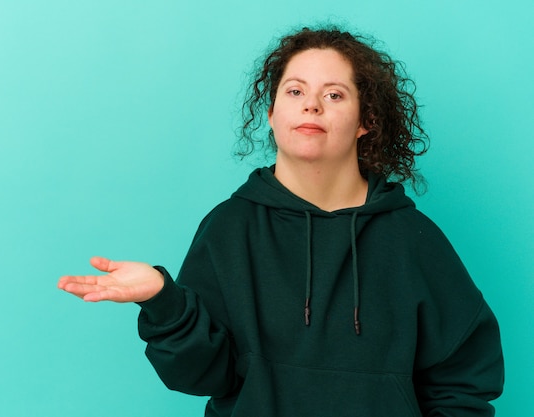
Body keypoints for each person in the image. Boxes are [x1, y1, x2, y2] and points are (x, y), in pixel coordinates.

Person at [58, 26, 504, 416]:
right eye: (294, 91)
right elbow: (202, 377)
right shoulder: (229, 228)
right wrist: (164, 301)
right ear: (271, 114)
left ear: (366, 120)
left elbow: (463, 381)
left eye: (334, 94)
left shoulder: (414, 239)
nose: (312, 105)